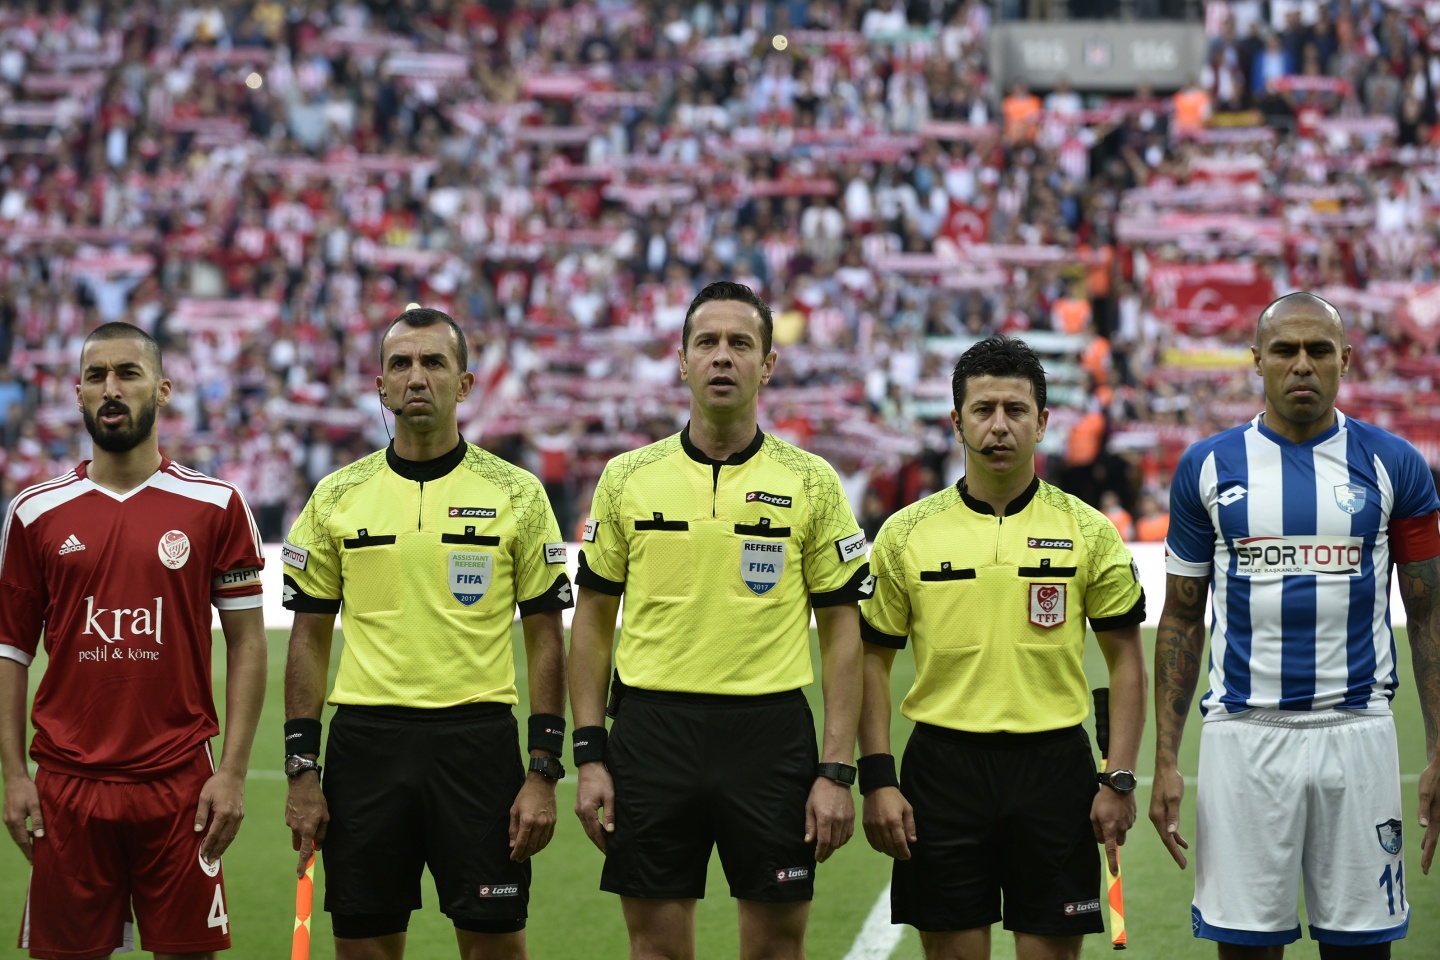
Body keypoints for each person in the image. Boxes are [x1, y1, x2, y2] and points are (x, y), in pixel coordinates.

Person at [569, 281, 872, 960]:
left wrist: (835, 769)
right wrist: (589, 754)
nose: (723, 356)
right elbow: (591, 622)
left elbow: (842, 635)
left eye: (741, 343)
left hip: (769, 735)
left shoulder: (812, 481)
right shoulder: (627, 477)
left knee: (776, 952)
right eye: (706, 342)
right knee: (655, 950)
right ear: (682, 362)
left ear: (768, 364)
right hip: (651, 733)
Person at [1150, 292, 1440, 959]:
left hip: (1359, 732)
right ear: (1257, 360)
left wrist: (1438, 751)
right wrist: (1165, 760)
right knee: (1247, 949)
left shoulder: (1396, 464)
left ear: (1346, 359)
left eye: (1318, 350)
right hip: (1244, 737)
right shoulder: (1207, 467)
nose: (1301, 364)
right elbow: (1183, 618)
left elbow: (1428, 614)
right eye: (1284, 350)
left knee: (1361, 948)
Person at [282, 307, 573, 960]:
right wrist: (301, 768)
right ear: (381, 385)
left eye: (434, 362)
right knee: (364, 951)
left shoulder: (519, 494)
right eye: (401, 364)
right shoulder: (335, 495)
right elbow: (308, 638)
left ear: (464, 385)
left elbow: (546, 639)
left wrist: (543, 769)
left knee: (497, 950)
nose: (417, 377)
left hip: (477, 745)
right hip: (366, 749)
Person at [859, 335, 1148, 960]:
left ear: (1042, 423)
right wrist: (878, 778)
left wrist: (1119, 778)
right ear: (956, 421)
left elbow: (1127, 660)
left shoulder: (1089, 531)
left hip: (1055, 772)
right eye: (983, 410)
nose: (999, 426)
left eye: (1016, 410)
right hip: (942, 771)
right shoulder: (905, 534)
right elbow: (871, 663)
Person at [0, 322, 267, 960]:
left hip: (180, 784)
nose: (111, 388)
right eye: (96, 376)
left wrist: (232, 773)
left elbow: (249, 644)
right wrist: (13, 773)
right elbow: (10, 651)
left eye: (128, 373)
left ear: (163, 389)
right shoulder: (34, 512)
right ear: (78, 394)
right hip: (67, 785)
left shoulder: (216, 505)